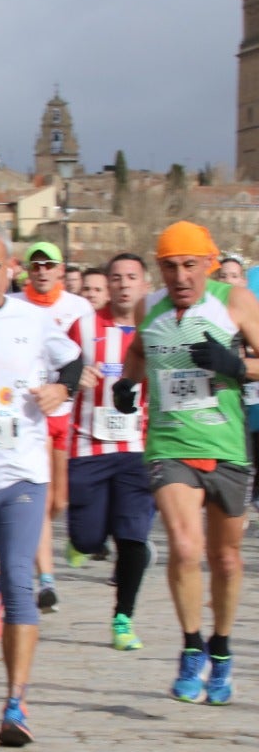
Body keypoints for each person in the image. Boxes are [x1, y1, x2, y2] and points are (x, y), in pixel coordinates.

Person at [0, 224, 83, 747]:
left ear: (11, 270)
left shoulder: (34, 318)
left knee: (22, 581)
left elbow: (73, 360)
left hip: (23, 472)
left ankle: (15, 703)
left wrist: (60, 387)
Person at [119, 221, 259, 705]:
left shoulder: (236, 303)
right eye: (170, 267)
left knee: (226, 558)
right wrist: (126, 383)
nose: (180, 277)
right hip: (169, 443)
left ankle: (221, 649)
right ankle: (192, 645)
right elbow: (137, 349)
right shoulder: (147, 306)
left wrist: (237, 367)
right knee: (184, 546)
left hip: (227, 447)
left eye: (189, 266)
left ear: (208, 264)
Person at [65, 252, 155, 651]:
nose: (122, 284)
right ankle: (82, 542)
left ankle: (123, 618)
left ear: (144, 284)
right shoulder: (83, 327)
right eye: (115, 277)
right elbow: (55, 370)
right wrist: (72, 377)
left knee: (133, 536)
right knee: (86, 540)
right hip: (87, 446)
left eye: (131, 277)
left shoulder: (157, 328)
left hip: (139, 447)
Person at [13, 241, 94, 614]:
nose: (42, 270)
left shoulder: (78, 308)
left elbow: (86, 358)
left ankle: (46, 554)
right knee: (42, 503)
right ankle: (45, 580)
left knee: (59, 500)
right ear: (29, 271)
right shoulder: (16, 306)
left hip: (68, 412)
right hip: (34, 412)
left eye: (49, 264)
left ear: (61, 270)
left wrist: (79, 380)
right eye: (36, 264)